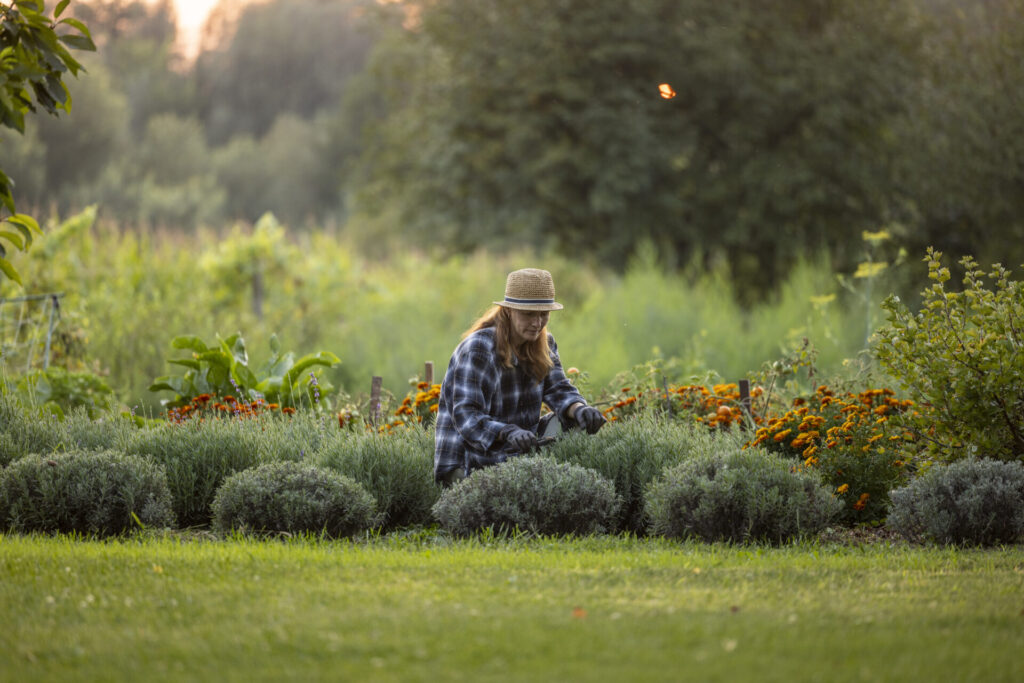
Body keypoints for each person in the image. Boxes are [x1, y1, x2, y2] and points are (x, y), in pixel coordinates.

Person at [434, 268, 606, 486]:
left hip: (516, 453)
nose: (537, 323)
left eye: (544, 314)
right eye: (529, 314)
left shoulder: (545, 343)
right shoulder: (478, 350)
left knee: (573, 422)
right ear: (508, 311)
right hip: (468, 462)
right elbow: (467, 418)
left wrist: (581, 409)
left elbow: (558, 389)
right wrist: (508, 432)